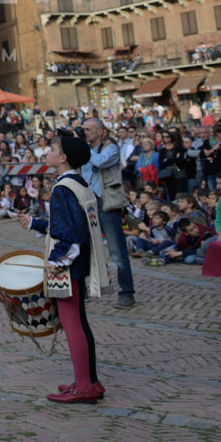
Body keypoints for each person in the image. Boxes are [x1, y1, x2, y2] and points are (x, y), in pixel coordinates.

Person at [18, 132, 109, 404]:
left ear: (63, 157)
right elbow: (66, 224)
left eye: (52, 148)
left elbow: (69, 233)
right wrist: (34, 223)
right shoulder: (79, 183)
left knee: (72, 325)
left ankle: (84, 386)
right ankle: (89, 381)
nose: (47, 151)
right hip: (78, 262)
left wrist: (56, 263)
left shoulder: (61, 188)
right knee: (79, 322)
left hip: (67, 265)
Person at [82, 118, 135, 308]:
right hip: (87, 202)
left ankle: (127, 292)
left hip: (106, 202)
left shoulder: (110, 148)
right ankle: (85, 288)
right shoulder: (86, 150)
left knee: (116, 250)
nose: (85, 133)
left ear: (101, 132)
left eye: (88, 130)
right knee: (83, 246)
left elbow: (101, 161)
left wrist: (82, 148)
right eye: (84, 130)